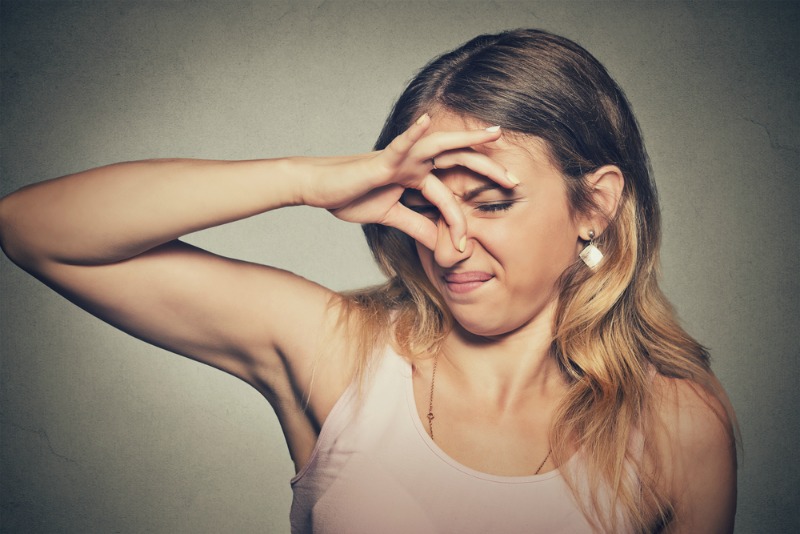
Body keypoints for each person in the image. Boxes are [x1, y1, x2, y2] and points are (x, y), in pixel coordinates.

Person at [0, 29, 737, 533]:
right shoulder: (338, 350)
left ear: (595, 205)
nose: (450, 244)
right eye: (425, 204)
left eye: (489, 202)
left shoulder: (677, 424)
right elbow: (34, 230)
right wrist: (307, 180)